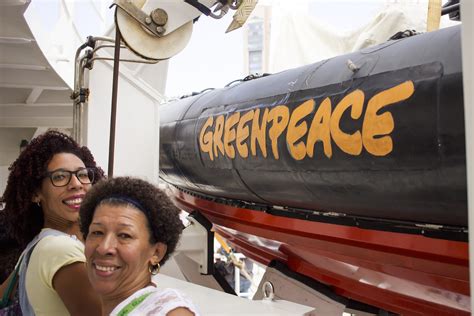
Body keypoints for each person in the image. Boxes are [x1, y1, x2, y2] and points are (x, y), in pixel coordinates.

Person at [0, 130, 104, 315]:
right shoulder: (60, 250)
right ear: (35, 193)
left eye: (83, 174)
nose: (76, 184)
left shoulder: (34, 247)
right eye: (60, 176)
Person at [79, 176, 199, 316]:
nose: (104, 247)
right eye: (97, 232)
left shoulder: (170, 311)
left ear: (157, 253)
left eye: (124, 235)